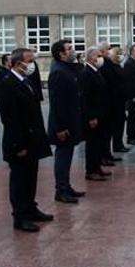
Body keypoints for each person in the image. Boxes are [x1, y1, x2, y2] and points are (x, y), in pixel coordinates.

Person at [0, 48, 54, 233]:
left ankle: (30, 208)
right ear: (16, 62)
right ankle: (20, 216)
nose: (31, 65)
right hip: (19, 142)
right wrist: (18, 145)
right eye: (29, 61)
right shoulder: (7, 83)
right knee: (20, 180)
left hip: (32, 139)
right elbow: (10, 118)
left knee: (31, 176)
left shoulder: (26, 81)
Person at [47, 40, 85, 204]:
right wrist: (60, 127)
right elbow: (57, 103)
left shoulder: (66, 68)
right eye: (69, 49)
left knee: (68, 155)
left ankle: (66, 186)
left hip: (71, 120)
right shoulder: (58, 72)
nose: (73, 51)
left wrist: (77, 62)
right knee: (62, 156)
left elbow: (78, 75)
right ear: (61, 53)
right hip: (62, 124)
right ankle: (60, 190)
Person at [80, 47, 114, 181]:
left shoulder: (96, 72)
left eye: (101, 56)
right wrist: (91, 116)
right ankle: (91, 170)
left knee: (99, 143)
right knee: (92, 144)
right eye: (97, 56)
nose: (100, 59)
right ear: (90, 57)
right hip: (94, 115)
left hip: (102, 114)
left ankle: (97, 167)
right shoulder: (86, 73)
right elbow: (86, 97)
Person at [101, 45, 130, 153]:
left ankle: (118, 144)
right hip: (114, 102)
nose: (120, 56)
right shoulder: (109, 66)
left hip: (120, 101)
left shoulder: (119, 66)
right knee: (113, 126)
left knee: (120, 124)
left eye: (120, 53)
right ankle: (113, 147)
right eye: (117, 53)